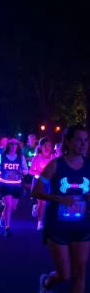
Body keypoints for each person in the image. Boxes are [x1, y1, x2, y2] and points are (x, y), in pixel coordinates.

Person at [32, 125, 90, 293]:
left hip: (82, 225)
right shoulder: (55, 165)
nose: (83, 144)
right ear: (68, 141)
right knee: (65, 275)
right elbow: (35, 191)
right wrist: (59, 198)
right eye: (79, 140)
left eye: (86, 140)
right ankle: (47, 282)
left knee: (80, 275)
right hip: (58, 226)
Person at [0, 136, 28, 236]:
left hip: (16, 185)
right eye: (12, 143)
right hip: (4, 184)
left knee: (13, 207)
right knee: (8, 204)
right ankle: (7, 227)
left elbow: (26, 170)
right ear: (8, 145)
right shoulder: (2, 156)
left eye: (16, 144)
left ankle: (3, 215)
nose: (14, 145)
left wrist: (22, 171)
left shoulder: (21, 157)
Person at [29, 137, 54, 230]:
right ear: (40, 147)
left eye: (49, 146)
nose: (47, 148)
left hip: (50, 182)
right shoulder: (37, 157)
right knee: (42, 203)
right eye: (45, 146)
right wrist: (40, 173)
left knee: (49, 202)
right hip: (39, 182)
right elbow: (31, 171)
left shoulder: (53, 158)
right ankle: (40, 222)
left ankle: (36, 207)